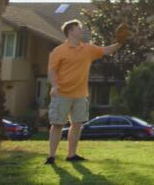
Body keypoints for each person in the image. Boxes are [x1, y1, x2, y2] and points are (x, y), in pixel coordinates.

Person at [44, 19, 130, 165]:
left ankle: (71, 155)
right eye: (79, 28)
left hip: (80, 95)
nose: (81, 30)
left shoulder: (88, 49)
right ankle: (51, 156)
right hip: (62, 94)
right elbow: (52, 71)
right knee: (57, 124)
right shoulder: (59, 51)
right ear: (70, 31)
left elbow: (107, 50)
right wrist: (54, 85)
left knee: (77, 125)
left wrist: (120, 42)